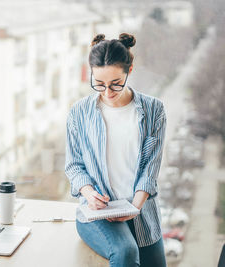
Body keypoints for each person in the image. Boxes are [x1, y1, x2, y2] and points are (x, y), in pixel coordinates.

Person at [65, 33, 167, 267]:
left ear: (129, 72)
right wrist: (89, 193)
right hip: (97, 215)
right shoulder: (79, 113)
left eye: (115, 84)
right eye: (99, 84)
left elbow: (150, 170)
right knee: (125, 251)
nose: (107, 92)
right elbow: (73, 165)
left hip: (142, 213)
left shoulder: (154, 110)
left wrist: (135, 207)